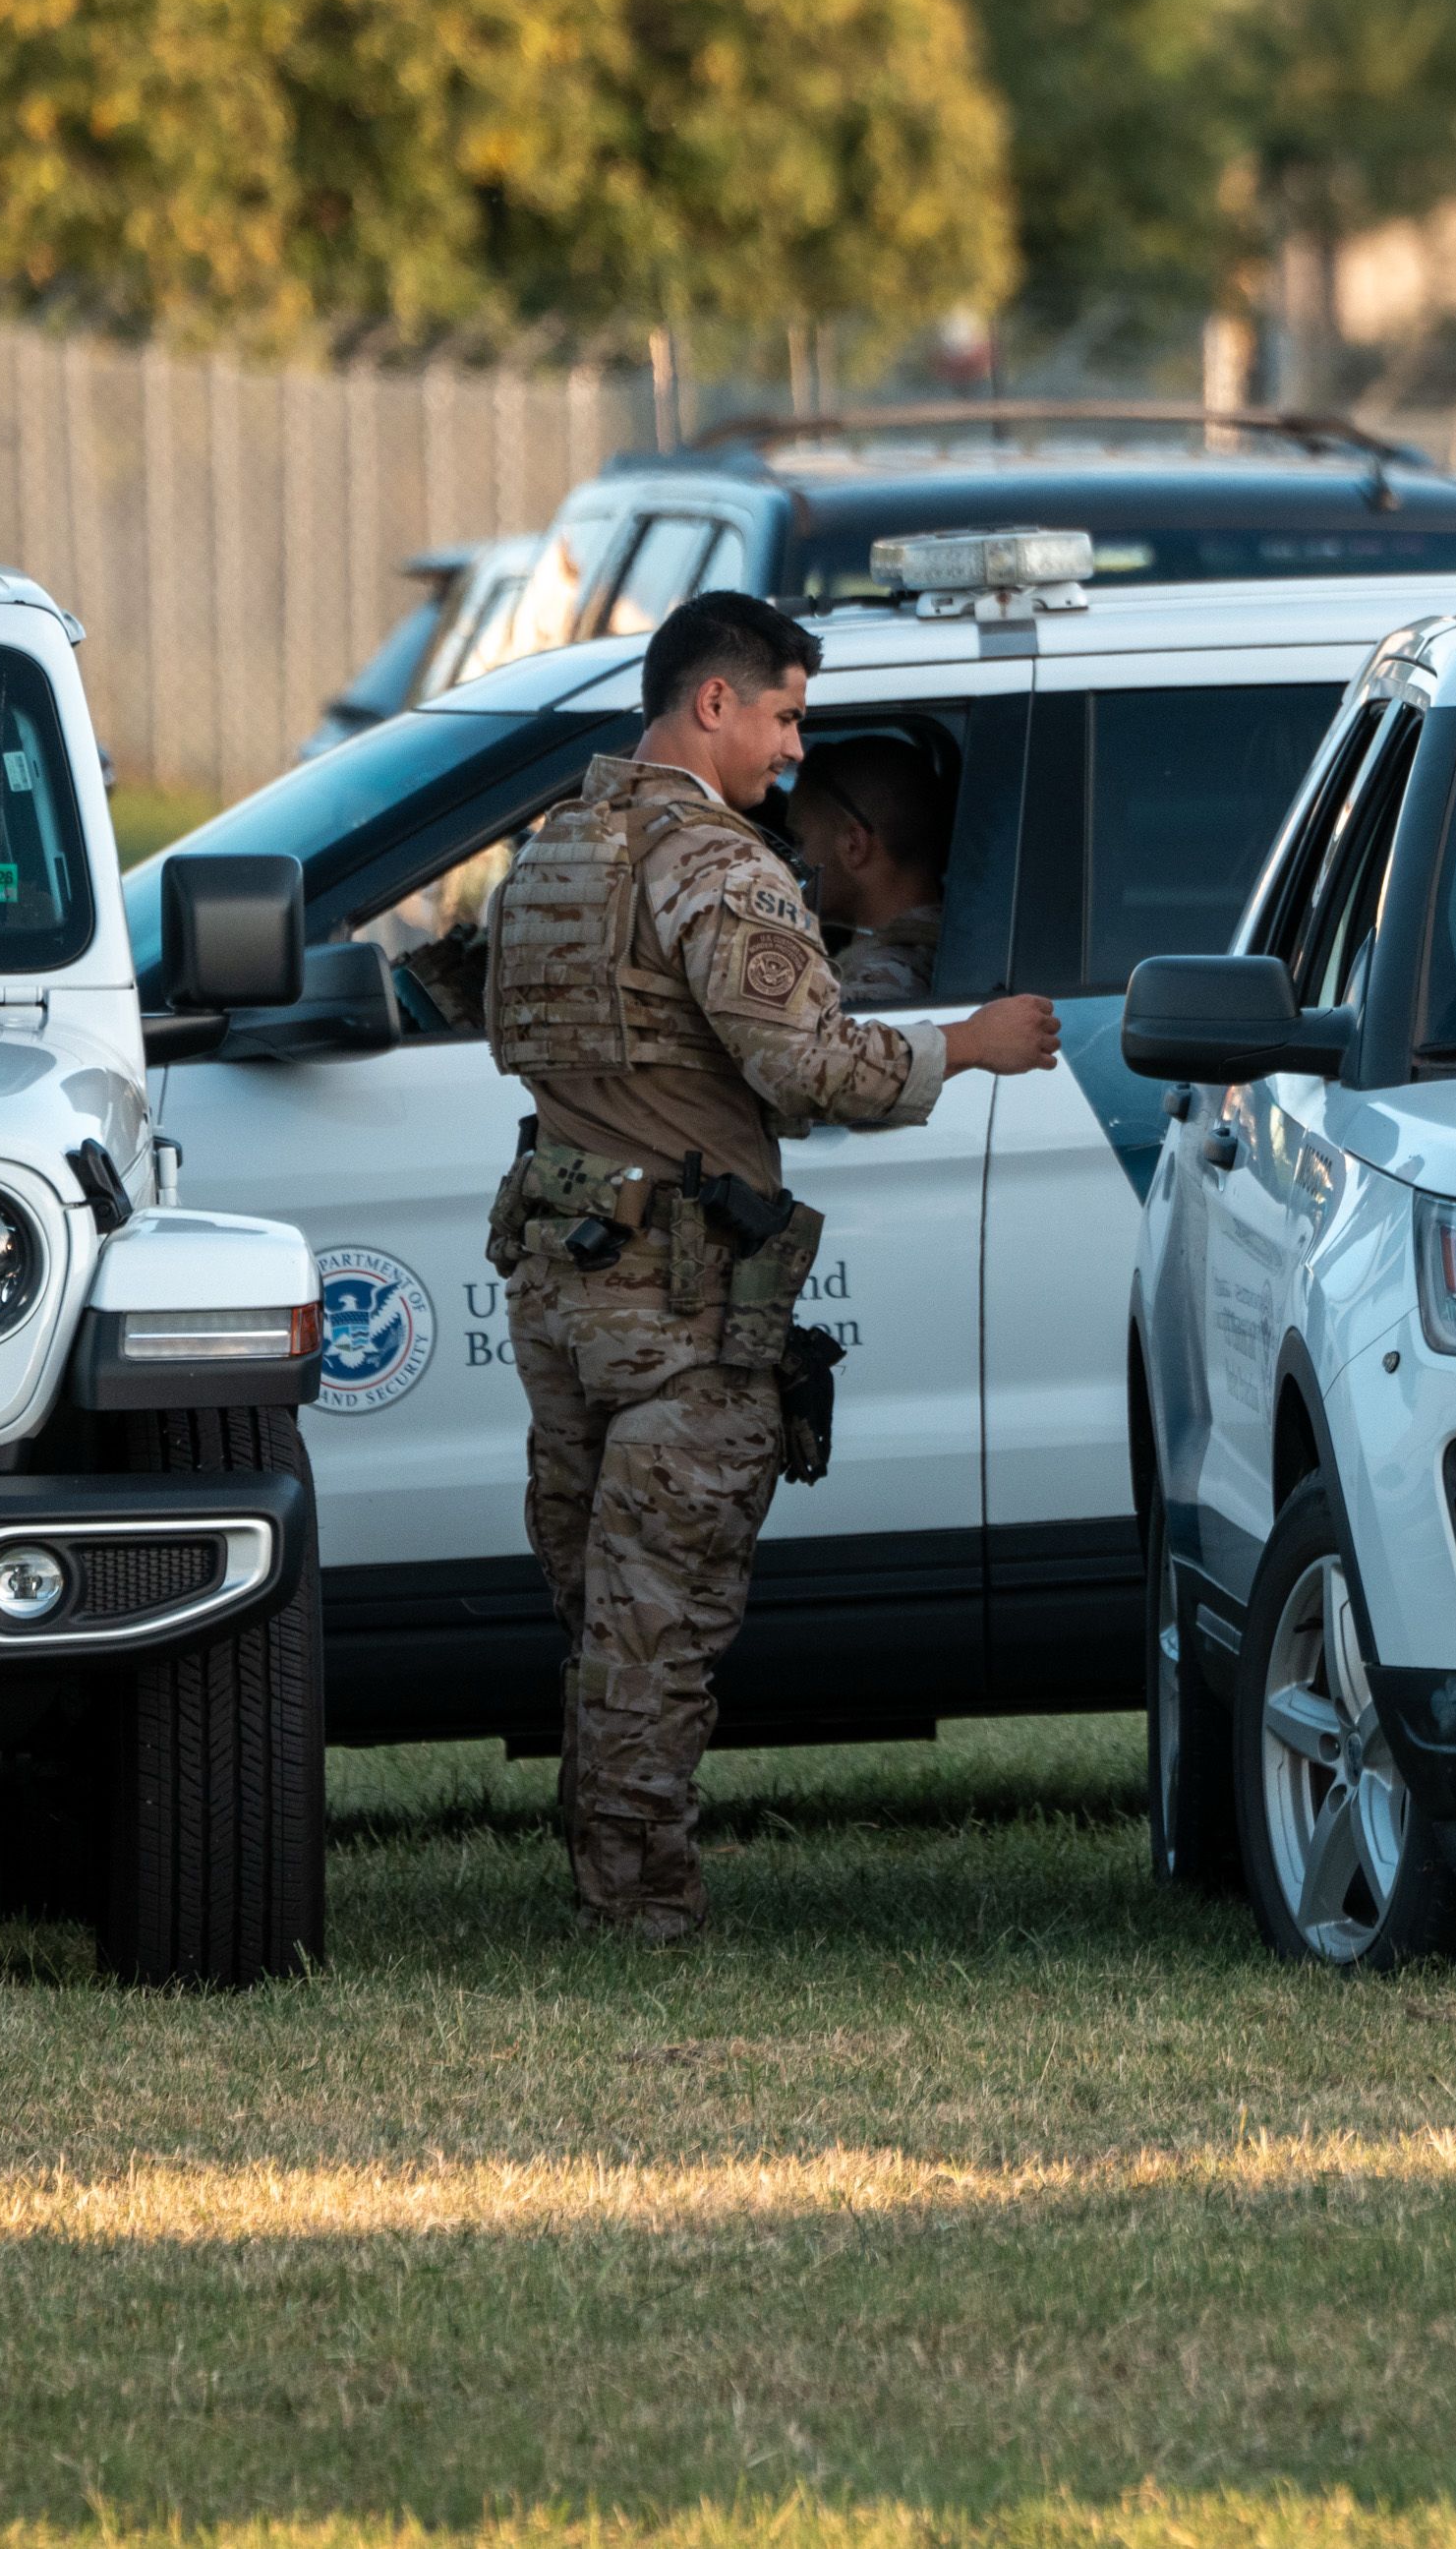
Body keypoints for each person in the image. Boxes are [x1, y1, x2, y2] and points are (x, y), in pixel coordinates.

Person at [482, 591, 1061, 1939]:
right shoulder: (721, 867)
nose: (796, 751)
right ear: (714, 703)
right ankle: (642, 1911)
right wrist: (966, 1044)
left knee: (597, 1601)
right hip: (681, 1301)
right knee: (660, 1618)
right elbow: (808, 1070)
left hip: (563, 1285)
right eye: (787, 715)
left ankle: (604, 1883)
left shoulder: (559, 849)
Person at [791, 735, 952, 1004]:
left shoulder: (882, 982)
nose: (790, 861)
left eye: (800, 841)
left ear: (854, 845)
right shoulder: (945, 945)